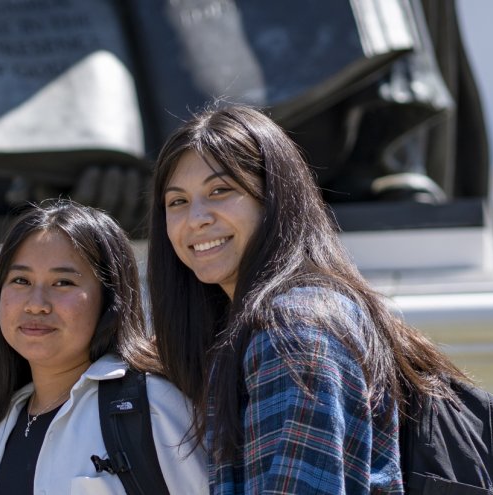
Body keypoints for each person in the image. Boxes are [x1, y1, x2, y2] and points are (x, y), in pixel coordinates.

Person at [145, 105, 471, 494]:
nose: (196, 218)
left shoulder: (291, 330)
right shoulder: (286, 318)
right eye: (177, 201)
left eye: (220, 191)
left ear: (274, 199)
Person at [0, 200, 207, 495]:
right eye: (21, 280)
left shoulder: (151, 404)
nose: (36, 304)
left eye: (63, 282)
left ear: (110, 299)